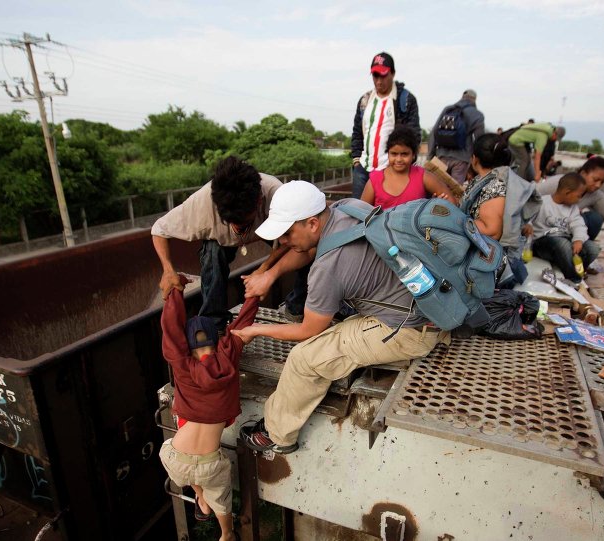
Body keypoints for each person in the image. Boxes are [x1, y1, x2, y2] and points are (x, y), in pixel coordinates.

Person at [233, 181, 449, 454]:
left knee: (303, 358)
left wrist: (255, 330)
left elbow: (307, 330)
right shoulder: (347, 208)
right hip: (429, 304)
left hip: (409, 330)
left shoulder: (327, 269)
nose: (283, 242)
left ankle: (276, 434)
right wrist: (270, 274)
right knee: (337, 330)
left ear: (312, 224)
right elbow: (308, 251)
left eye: (287, 233)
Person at [159, 274, 259, 541]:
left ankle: (199, 497)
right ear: (216, 340)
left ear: (187, 345)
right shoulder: (228, 354)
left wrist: (175, 292)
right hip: (209, 463)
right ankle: (226, 534)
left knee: (179, 432)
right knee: (221, 500)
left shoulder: (181, 364)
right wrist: (254, 295)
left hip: (175, 459)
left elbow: (171, 331)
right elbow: (242, 325)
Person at [151, 156, 307, 325]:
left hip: (270, 228)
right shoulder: (201, 202)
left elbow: (298, 236)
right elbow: (159, 230)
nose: (238, 230)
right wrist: (168, 270)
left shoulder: (276, 193)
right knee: (212, 254)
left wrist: (265, 268)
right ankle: (213, 322)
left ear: (259, 201)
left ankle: (296, 308)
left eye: (244, 224)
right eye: (231, 222)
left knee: (306, 246)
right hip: (221, 240)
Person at [459, 134, 540, 288]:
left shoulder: (495, 186)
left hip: (493, 267)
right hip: (492, 258)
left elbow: (491, 231)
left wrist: (455, 220)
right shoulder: (488, 180)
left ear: (474, 159)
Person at [350, 51, 420, 199]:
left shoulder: (405, 100)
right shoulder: (365, 100)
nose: (379, 81)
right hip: (363, 168)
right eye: (375, 76)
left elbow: (413, 136)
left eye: (383, 75)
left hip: (389, 170)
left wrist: (400, 166)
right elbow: (357, 132)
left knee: (387, 211)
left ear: (392, 73)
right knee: (356, 209)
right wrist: (356, 160)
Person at [524, 173, 599, 283]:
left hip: (565, 241)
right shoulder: (542, 202)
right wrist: (528, 225)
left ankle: (576, 268)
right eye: (578, 196)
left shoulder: (573, 208)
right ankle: (574, 278)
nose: (579, 200)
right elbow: (527, 216)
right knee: (563, 245)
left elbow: (578, 224)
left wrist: (578, 239)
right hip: (542, 242)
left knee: (593, 248)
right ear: (567, 192)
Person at [361, 125, 455, 209]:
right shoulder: (375, 180)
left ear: (413, 155)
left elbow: (451, 201)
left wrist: (437, 208)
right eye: (394, 154)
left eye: (404, 154)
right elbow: (360, 213)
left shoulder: (423, 177)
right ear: (388, 154)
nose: (399, 159)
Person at [426, 89, 486, 184]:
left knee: (439, 188)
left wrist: (430, 156)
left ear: (462, 97)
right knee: (454, 190)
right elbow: (480, 141)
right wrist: (476, 165)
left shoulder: (448, 109)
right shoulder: (477, 115)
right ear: (474, 99)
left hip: (441, 156)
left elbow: (434, 132)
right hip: (461, 160)